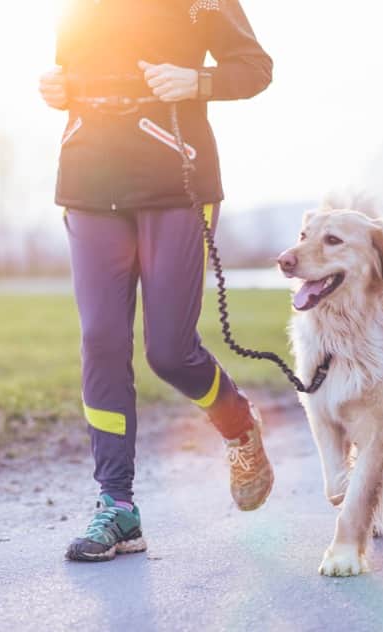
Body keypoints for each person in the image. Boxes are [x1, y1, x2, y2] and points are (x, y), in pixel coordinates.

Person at [39, 0, 274, 562]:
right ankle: (115, 504)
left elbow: (255, 67)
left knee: (169, 351)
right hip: (90, 181)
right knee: (101, 339)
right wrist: (56, 87)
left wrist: (198, 80)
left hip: (177, 180)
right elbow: (70, 75)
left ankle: (239, 425)